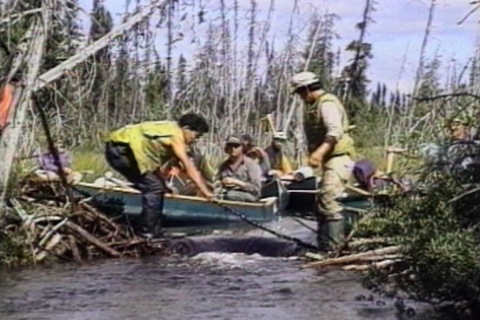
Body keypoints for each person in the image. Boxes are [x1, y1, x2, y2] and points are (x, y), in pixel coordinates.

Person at [104, 113, 215, 238]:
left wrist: (164, 183)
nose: (195, 140)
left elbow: (152, 165)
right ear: (186, 129)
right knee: (154, 188)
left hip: (118, 149)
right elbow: (189, 167)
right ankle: (147, 232)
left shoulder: (168, 131)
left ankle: (154, 229)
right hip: (121, 150)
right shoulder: (176, 136)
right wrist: (206, 192)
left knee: (157, 186)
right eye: (196, 136)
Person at [290, 71, 356, 251]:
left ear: (306, 89)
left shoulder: (327, 104)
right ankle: (323, 246)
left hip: (339, 158)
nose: (300, 97)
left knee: (330, 200)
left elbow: (334, 132)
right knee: (321, 204)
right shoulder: (314, 105)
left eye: (300, 93)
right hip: (328, 159)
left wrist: (319, 153)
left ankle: (333, 250)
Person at [215, 135, 263, 202]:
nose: (233, 149)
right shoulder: (224, 165)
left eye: (236, 146)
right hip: (227, 194)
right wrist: (219, 183)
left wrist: (236, 182)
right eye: (230, 146)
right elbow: (217, 181)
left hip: (249, 195)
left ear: (242, 148)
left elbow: (256, 189)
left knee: (230, 195)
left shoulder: (251, 165)